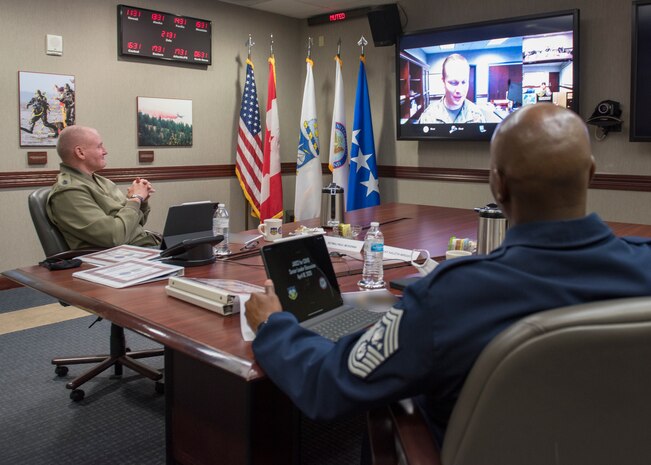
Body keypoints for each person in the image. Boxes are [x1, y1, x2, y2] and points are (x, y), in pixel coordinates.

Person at [245, 104, 651, 449]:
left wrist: (274, 326)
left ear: (497, 184)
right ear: (592, 173)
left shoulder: (452, 296)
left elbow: (327, 385)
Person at [46, 125, 161, 249]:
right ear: (80, 152)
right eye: (99, 146)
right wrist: (135, 199)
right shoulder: (69, 192)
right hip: (120, 258)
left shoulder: (101, 181)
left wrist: (141, 201)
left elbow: (136, 224)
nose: (105, 151)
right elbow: (114, 237)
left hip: (142, 248)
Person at [419, 53, 486, 124]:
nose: (459, 90)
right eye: (453, 83)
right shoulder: (428, 116)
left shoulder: (477, 115)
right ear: (443, 81)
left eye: (464, 82)